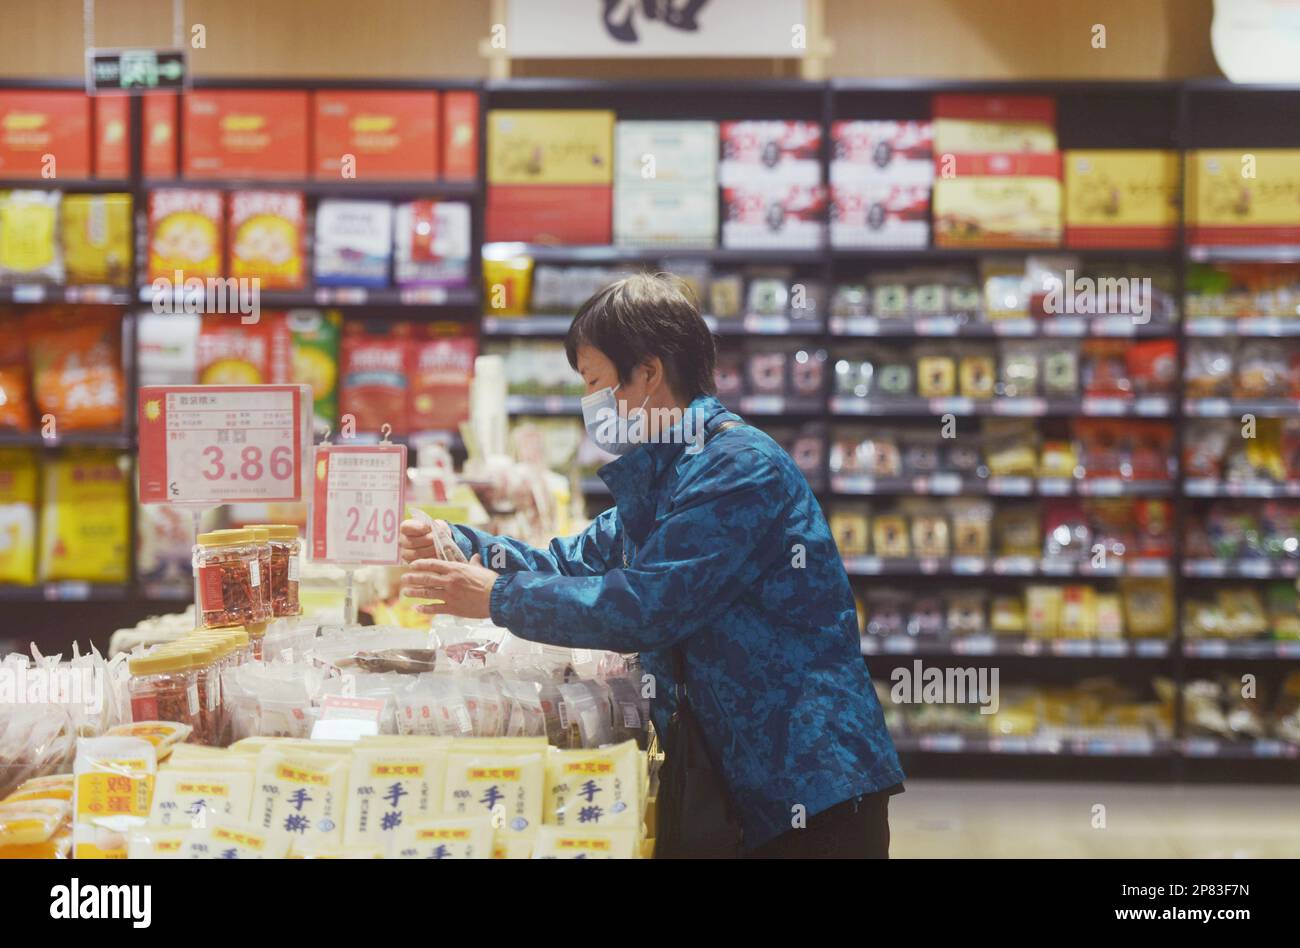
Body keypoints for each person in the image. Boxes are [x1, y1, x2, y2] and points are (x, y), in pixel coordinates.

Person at [399, 272, 904, 858]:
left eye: (595, 383)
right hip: (745, 785)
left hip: (810, 786)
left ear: (648, 371)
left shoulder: (738, 470)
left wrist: (496, 597)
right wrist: (458, 543)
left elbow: (646, 606)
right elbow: (576, 560)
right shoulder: (669, 475)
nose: (591, 405)